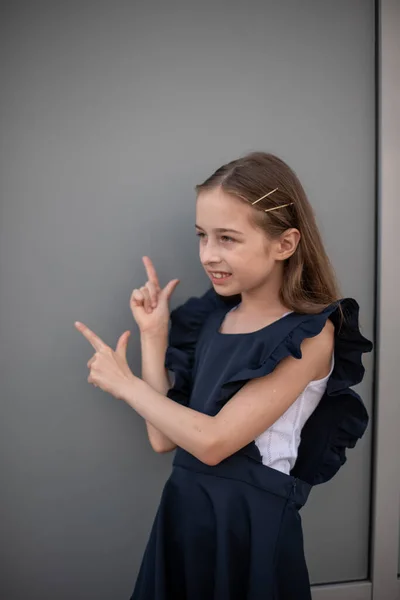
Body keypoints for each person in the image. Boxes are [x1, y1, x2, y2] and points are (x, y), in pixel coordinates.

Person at [75, 152, 373, 599]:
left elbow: (214, 442)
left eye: (228, 238)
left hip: (248, 526)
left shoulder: (308, 336)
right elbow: (164, 439)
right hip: (186, 513)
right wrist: (154, 337)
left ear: (285, 244)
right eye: (202, 237)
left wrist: (125, 384)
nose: (208, 254)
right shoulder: (213, 319)